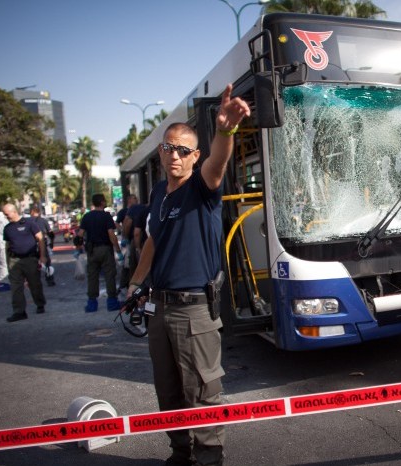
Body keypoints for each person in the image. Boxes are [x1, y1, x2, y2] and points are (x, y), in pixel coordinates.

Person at [127, 84, 250, 466]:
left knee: (202, 391)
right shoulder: (161, 194)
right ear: (161, 152)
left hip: (195, 310)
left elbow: (219, 163)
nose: (175, 155)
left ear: (194, 156)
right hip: (160, 309)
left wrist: (225, 131)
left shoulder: (202, 187)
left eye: (183, 150)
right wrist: (135, 283)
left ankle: (209, 459)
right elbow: (153, 240)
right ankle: (180, 454)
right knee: (169, 393)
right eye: (169, 148)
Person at [76, 193, 124, 312]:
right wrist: (118, 250)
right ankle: (112, 302)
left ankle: (92, 303)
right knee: (109, 275)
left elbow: (80, 235)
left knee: (92, 276)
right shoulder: (106, 216)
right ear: (102, 202)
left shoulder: (86, 217)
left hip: (91, 250)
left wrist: (78, 249)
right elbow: (111, 234)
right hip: (105, 249)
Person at [2, 203, 47, 322]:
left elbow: (40, 239)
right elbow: (7, 245)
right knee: (16, 287)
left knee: (34, 284)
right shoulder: (7, 228)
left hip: (30, 259)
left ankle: (40, 304)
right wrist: (8, 262)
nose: (6, 217)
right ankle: (19, 311)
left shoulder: (29, 223)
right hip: (14, 260)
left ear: (14, 211)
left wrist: (42, 256)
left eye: (7, 214)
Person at [116, 194, 138, 292]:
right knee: (129, 264)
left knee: (131, 263)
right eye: (134, 198)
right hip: (130, 240)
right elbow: (120, 223)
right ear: (129, 200)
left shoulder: (138, 209)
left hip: (135, 239)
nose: (136, 200)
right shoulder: (124, 211)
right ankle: (128, 284)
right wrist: (124, 234)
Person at [29, 206, 55, 286]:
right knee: (47, 262)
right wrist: (52, 243)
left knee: (33, 263)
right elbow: (50, 233)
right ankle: (50, 280)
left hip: (32, 245)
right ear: (39, 212)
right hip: (43, 243)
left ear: (32, 212)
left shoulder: (28, 221)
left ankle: (34, 281)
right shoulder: (43, 221)